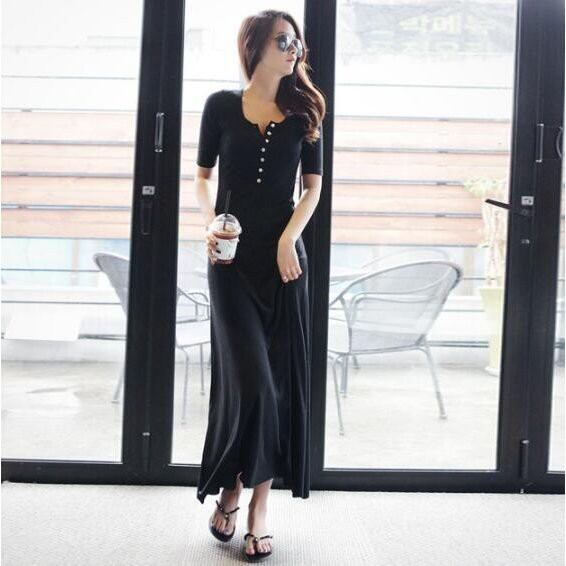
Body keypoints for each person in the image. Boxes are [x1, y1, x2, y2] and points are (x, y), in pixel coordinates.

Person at [194, 9, 325, 562]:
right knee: (251, 384)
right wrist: (211, 224)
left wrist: (288, 238)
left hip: (283, 264)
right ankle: (230, 488)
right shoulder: (220, 106)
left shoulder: (305, 111)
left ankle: (256, 508)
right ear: (255, 46)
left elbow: (312, 187)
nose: (293, 48)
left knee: (275, 386)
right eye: (282, 40)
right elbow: (202, 177)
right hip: (229, 262)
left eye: (296, 41)